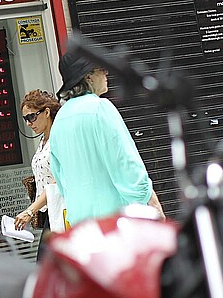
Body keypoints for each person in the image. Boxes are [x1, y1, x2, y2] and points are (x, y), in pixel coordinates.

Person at [49, 52, 164, 226]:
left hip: (81, 227)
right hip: (116, 224)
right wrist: (152, 203)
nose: (106, 74)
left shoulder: (60, 119)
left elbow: (61, 179)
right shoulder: (100, 108)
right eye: (101, 69)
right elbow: (125, 162)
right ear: (88, 76)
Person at [14, 90, 67, 256]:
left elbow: (57, 181)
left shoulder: (59, 138)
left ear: (46, 112)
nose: (29, 123)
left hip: (62, 210)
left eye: (32, 117)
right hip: (50, 211)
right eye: (25, 119)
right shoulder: (44, 140)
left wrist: (30, 211)